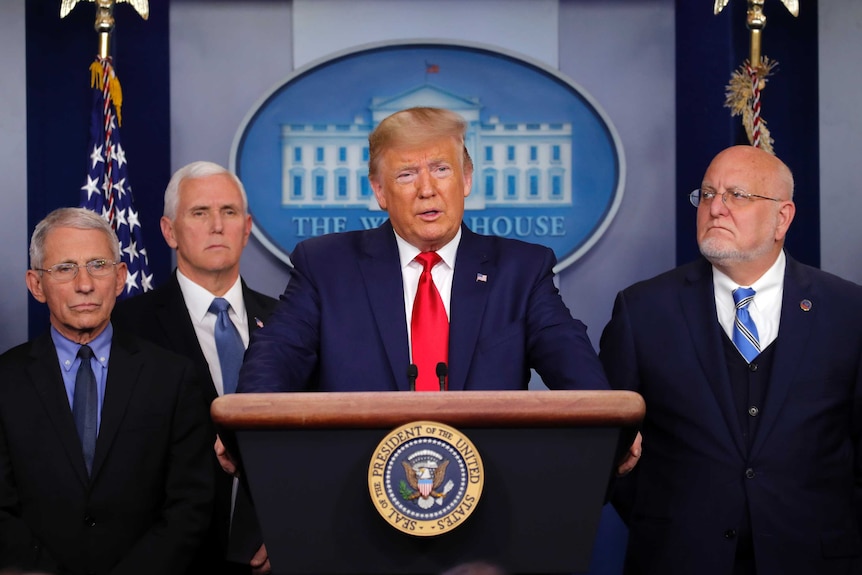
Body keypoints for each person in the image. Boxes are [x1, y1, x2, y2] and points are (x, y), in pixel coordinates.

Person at [600, 145, 862, 574]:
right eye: (706, 194)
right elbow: (612, 448)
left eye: (737, 195)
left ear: (783, 218)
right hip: (678, 560)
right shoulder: (643, 309)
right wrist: (671, 523)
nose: (716, 208)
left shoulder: (848, 310)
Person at [236, 106, 609, 396]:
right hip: (358, 482)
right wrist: (247, 425)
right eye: (406, 174)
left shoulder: (521, 271)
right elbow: (276, 356)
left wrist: (611, 426)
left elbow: (572, 364)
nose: (426, 189)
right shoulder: (325, 267)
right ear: (380, 191)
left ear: (466, 179)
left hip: (489, 481)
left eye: (441, 169)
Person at [0, 207, 213, 575]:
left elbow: (189, 505)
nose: (85, 283)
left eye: (98, 265)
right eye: (65, 268)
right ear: (36, 285)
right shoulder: (5, 381)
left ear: (119, 278)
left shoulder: (173, 377)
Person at [112, 162, 278, 575]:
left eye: (229, 212)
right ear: (169, 231)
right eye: (200, 213)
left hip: (271, 556)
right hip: (163, 560)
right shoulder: (125, 327)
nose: (217, 226)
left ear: (247, 227)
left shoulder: (287, 322)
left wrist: (291, 532)